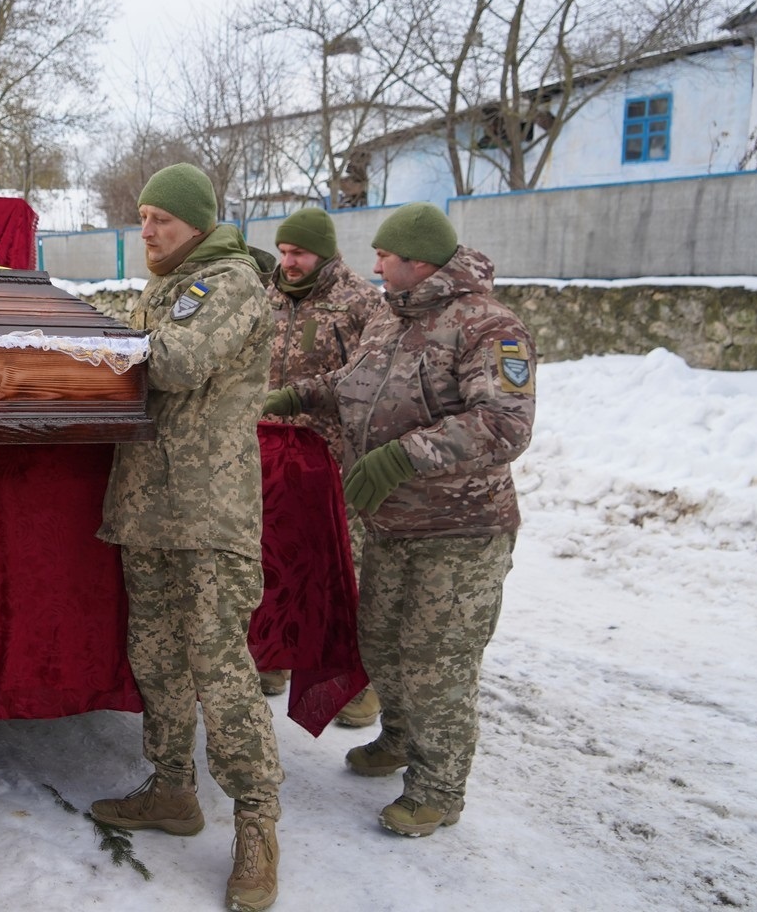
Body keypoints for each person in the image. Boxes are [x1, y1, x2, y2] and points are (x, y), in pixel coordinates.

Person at [263, 202, 535, 837]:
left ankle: (438, 789)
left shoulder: (489, 327)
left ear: (420, 262)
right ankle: (400, 740)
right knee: (383, 643)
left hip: (460, 529)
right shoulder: (392, 316)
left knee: (437, 659)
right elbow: (356, 381)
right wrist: (301, 393)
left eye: (384, 256)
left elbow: (506, 424)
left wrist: (403, 455)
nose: (374, 264)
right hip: (389, 523)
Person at [90, 163, 283, 912]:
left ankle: (258, 824)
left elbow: (173, 363)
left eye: (161, 219)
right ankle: (173, 790)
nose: (148, 231)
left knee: (218, 665)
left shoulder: (226, 280)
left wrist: (98, 343)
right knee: (158, 656)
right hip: (151, 508)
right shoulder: (170, 288)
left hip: (207, 513)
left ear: (198, 223)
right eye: (140, 218)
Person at [257, 207, 383, 728]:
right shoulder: (270, 295)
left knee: (339, 569)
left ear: (324, 253)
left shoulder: (359, 302)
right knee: (277, 557)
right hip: (273, 451)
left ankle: (358, 682)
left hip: (332, 456)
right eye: (283, 252)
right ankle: (277, 657)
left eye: (298, 253)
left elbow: (371, 380)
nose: (288, 262)